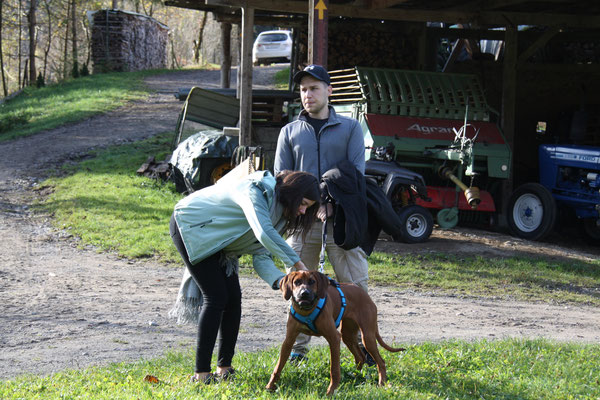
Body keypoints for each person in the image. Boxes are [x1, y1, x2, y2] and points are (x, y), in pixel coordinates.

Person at [170, 169, 320, 383]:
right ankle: (201, 374)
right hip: (191, 226)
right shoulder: (256, 190)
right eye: (304, 203)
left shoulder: (281, 216)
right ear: (293, 193)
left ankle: (225, 368)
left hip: (220, 244)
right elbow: (263, 232)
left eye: (309, 207)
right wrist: (297, 264)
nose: (304, 211)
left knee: (233, 299)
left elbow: (261, 254)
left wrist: (280, 281)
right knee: (216, 297)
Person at [274, 64, 371, 363]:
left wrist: (330, 202)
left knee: (354, 286)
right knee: (299, 282)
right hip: (301, 222)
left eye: (314, 88)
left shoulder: (351, 128)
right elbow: (281, 177)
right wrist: (306, 207)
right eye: (303, 89)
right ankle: (298, 351)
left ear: (329, 91)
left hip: (340, 220)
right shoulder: (289, 131)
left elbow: (356, 173)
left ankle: (360, 348)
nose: (308, 94)